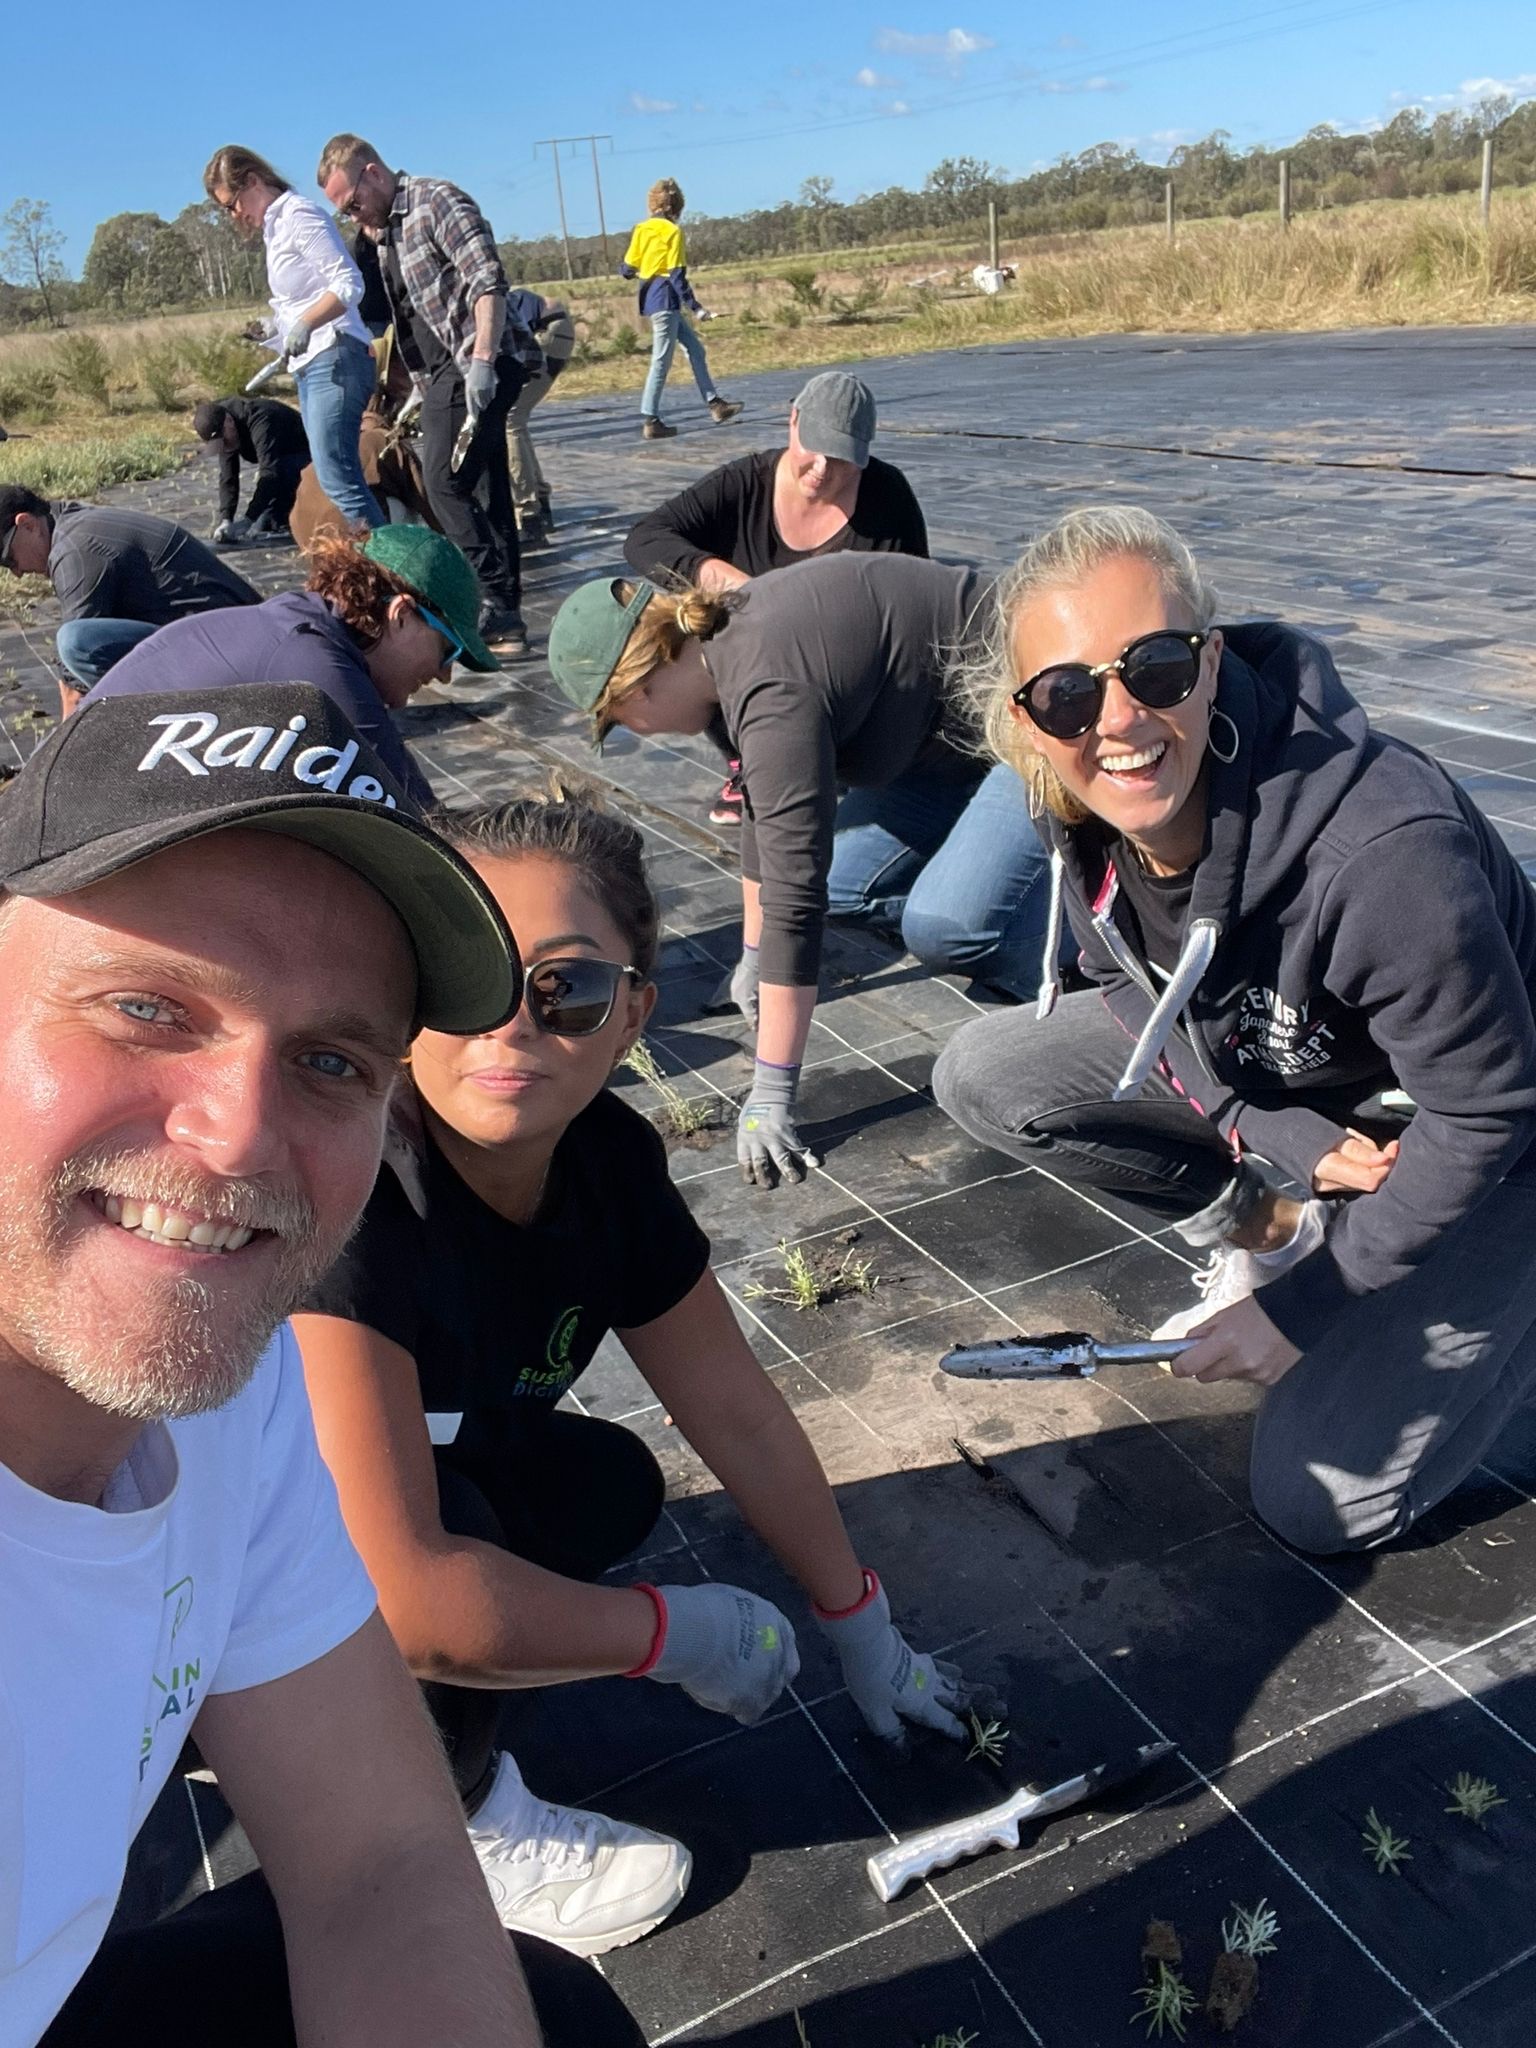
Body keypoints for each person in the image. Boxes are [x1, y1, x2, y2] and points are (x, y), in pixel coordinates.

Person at [0, 679, 646, 2048]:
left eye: (333, 1061)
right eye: (146, 1006)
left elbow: (382, 1857)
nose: (239, 1136)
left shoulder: (232, 1388)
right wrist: (670, 1636)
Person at [291, 782, 975, 1956]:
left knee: (602, 1484)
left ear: (633, 1014)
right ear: (403, 1001)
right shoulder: (351, 1199)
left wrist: (861, 1622)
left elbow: (734, 1407)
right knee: (438, 1541)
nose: (512, 1026)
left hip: (426, 1454)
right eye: (467, 982)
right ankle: (445, 1821)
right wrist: (667, 1631)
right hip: (189, 1570)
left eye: (567, 987)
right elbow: (406, 1593)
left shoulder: (606, 1161)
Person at [932, 504, 1536, 1557]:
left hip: (1505, 1137)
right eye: (1068, 693)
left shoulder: (1385, 855)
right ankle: (1288, 1229)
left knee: (1321, 1503)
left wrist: (1304, 1314)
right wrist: (1267, 1129)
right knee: (989, 1069)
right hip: (1326, 1089)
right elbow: (1119, 982)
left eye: (1155, 667)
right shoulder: (1077, 804)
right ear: (1028, 720)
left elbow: (1488, 1112)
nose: (1118, 720)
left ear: (1210, 662)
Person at [547, 556, 1058, 1187]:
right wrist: (753, 954)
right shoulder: (715, 665)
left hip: (1033, 716)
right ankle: (991, 868)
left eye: (618, 721)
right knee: (846, 887)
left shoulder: (769, 686)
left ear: (636, 688)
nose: (639, 734)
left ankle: (1076, 960)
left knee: (946, 927)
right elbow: (763, 816)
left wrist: (772, 1090)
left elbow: (794, 894)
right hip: (937, 749)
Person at [624, 369, 929, 828]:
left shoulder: (888, 496)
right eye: (814, 449)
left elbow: (915, 604)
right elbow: (645, 538)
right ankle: (746, 759)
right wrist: (724, 580)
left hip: (844, 675)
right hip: (755, 665)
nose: (822, 468)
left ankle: (837, 760)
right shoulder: (745, 484)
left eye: (841, 458)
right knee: (698, 633)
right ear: (793, 422)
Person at [86, 525, 496, 802]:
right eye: (448, 650)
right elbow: (422, 826)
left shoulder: (300, 629)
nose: (445, 674)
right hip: (82, 824)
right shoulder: (317, 671)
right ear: (401, 615)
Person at [317, 134, 532, 659]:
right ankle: (506, 611)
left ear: (373, 172)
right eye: (345, 211)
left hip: (473, 361)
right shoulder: (382, 234)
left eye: (353, 202)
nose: (353, 215)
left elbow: (486, 281)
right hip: (439, 373)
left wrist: (483, 359)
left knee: (442, 482)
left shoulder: (436, 202)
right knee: (486, 485)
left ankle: (485, 595)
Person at [203, 145, 385, 535]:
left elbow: (349, 283)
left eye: (232, 204)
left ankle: (392, 563)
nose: (234, 214)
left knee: (337, 477)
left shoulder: (299, 215)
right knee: (337, 476)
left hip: (335, 356)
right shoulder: (275, 229)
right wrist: (276, 327)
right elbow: (304, 296)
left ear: (253, 180)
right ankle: (379, 559)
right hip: (313, 364)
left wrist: (305, 323)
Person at [0, 484, 259, 717]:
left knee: (77, 642)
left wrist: (61, 748)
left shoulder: (74, 551)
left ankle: (160, 724)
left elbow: (74, 688)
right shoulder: (68, 521)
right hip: (225, 634)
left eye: (9, 560)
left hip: (234, 653)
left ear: (27, 525)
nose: (17, 572)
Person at [621, 178, 741, 442]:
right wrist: (697, 309)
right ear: (675, 207)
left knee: (695, 350)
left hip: (654, 299)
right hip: (665, 300)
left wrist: (644, 269)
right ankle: (651, 419)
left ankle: (715, 404)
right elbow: (677, 276)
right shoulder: (673, 232)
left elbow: (627, 269)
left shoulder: (641, 229)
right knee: (661, 360)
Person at [505, 286, 575, 548]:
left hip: (548, 329)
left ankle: (528, 514)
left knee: (510, 419)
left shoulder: (498, 298)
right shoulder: (509, 294)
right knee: (517, 419)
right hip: (555, 328)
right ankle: (540, 503)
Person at [193, 395, 311, 546]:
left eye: (224, 441)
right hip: (278, 465)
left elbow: (270, 472)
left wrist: (248, 519)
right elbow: (228, 476)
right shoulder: (221, 422)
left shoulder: (261, 419)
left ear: (229, 421)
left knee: (274, 523)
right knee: (262, 526)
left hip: (306, 458)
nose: (224, 446)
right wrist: (226, 519)